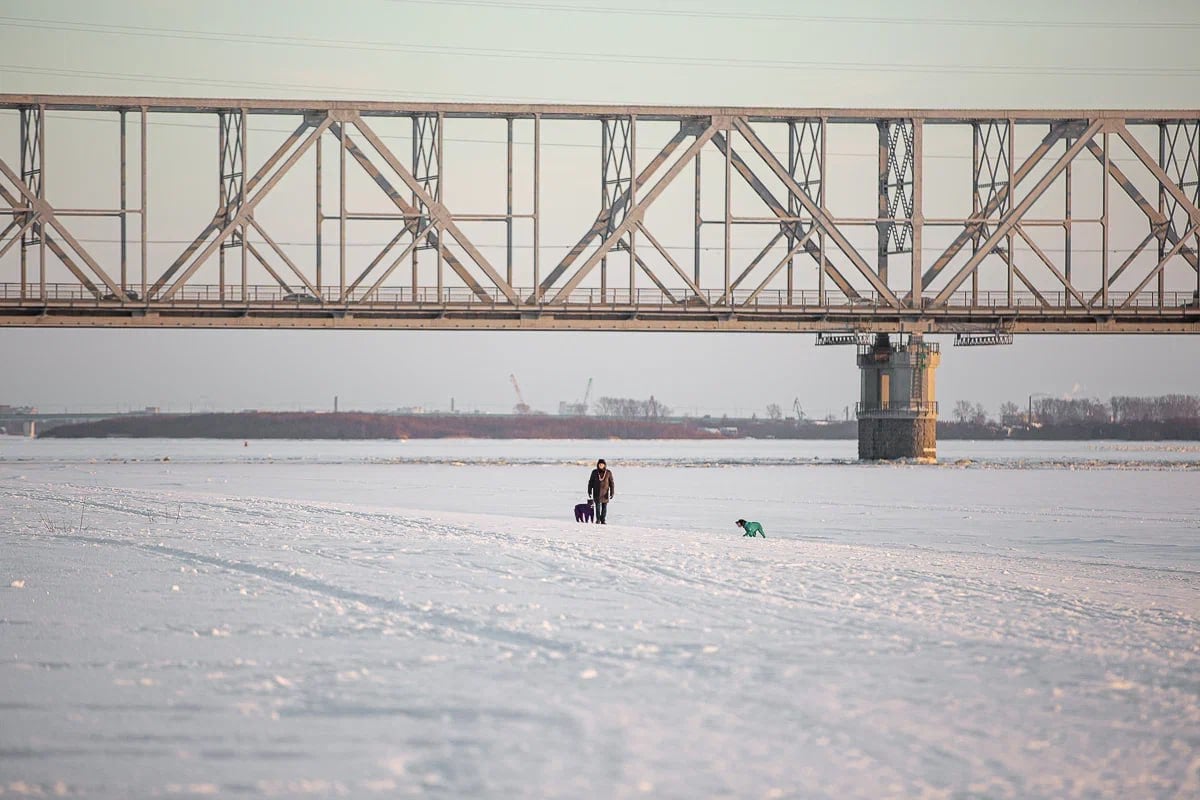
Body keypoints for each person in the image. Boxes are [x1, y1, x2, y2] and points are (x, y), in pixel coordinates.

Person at [587, 459, 615, 524]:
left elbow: (611, 483)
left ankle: (603, 520)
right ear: (598, 465)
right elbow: (590, 482)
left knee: (604, 507)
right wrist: (589, 491)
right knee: (597, 507)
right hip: (596, 492)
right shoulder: (594, 472)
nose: (601, 465)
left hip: (605, 493)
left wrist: (612, 492)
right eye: (599, 464)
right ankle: (598, 519)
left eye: (602, 464)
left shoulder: (608, 472)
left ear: (604, 465)